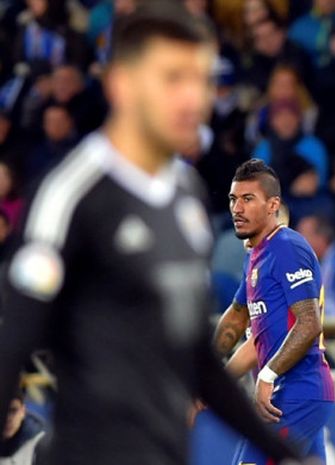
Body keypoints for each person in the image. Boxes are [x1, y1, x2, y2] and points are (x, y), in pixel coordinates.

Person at [0, 3, 301, 465]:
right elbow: (11, 343)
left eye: (201, 79)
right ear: (121, 83)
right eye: (172, 78)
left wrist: (283, 455)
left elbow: (195, 358)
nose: (192, 99)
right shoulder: (72, 193)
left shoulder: (186, 193)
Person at [214, 159, 335, 463]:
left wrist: (267, 376)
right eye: (233, 199)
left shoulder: (287, 248)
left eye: (248, 199)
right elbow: (238, 316)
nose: (237, 208)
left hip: (295, 390)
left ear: (273, 205)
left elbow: (309, 324)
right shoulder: (257, 254)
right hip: (294, 392)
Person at [0, 386, 46, 465]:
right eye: (2, 412)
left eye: (13, 410)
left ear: (23, 411)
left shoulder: (39, 445)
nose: (7, 419)